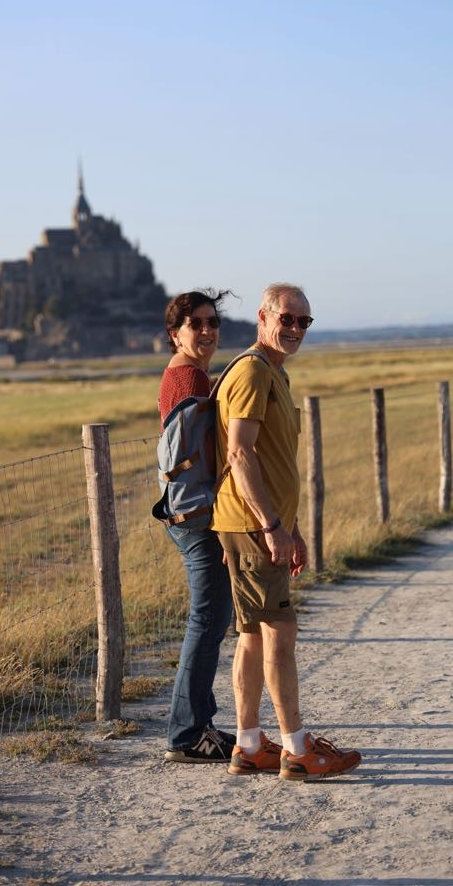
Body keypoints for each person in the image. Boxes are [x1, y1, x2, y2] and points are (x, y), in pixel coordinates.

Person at [212, 283, 362, 780]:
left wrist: (290, 527)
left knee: (254, 635)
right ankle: (298, 750)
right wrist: (271, 526)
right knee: (279, 632)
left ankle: (249, 745)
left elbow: (273, 460)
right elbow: (239, 454)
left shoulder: (275, 372)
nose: (296, 328)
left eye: (304, 321)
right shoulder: (253, 372)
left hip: (259, 523)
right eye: (287, 319)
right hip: (251, 524)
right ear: (263, 317)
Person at [158, 289, 235, 763]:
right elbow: (204, 458)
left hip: (189, 512)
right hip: (198, 515)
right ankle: (186, 735)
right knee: (206, 621)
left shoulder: (188, 374)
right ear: (175, 334)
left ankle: (197, 725)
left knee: (211, 620)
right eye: (195, 324)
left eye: (212, 322)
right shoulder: (189, 378)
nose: (206, 331)